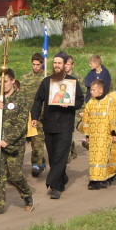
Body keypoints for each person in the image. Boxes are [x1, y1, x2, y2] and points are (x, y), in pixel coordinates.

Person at [30, 52, 85, 199]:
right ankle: (62, 178)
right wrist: (34, 117)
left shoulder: (72, 82)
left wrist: (70, 104)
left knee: (61, 155)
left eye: (59, 63)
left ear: (65, 65)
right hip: (49, 123)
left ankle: (54, 186)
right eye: (55, 63)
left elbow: (80, 100)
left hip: (65, 124)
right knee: (53, 156)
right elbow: (38, 100)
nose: (56, 65)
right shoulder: (47, 81)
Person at [0, 69, 33, 215]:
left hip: (14, 146)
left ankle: (27, 195)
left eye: (5, 81)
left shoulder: (21, 100)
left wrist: (8, 140)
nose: (2, 84)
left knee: (16, 176)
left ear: (12, 81)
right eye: (0, 82)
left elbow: (21, 125)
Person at [80, 78, 115, 189]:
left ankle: (102, 179)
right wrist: (87, 134)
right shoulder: (90, 102)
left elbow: (114, 118)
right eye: (90, 90)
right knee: (93, 158)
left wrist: (114, 133)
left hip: (105, 135)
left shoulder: (110, 101)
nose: (91, 92)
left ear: (101, 90)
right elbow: (86, 119)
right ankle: (94, 180)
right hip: (94, 136)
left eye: (93, 90)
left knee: (103, 158)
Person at [18, 52, 47, 177]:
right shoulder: (25, 78)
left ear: (42, 64)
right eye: (33, 64)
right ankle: (41, 162)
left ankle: (36, 164)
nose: (35, 67)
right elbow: (20, 96)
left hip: (40, 116)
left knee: (37, 142)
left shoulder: (46, 78)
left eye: (38, 64)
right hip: (26, 115)